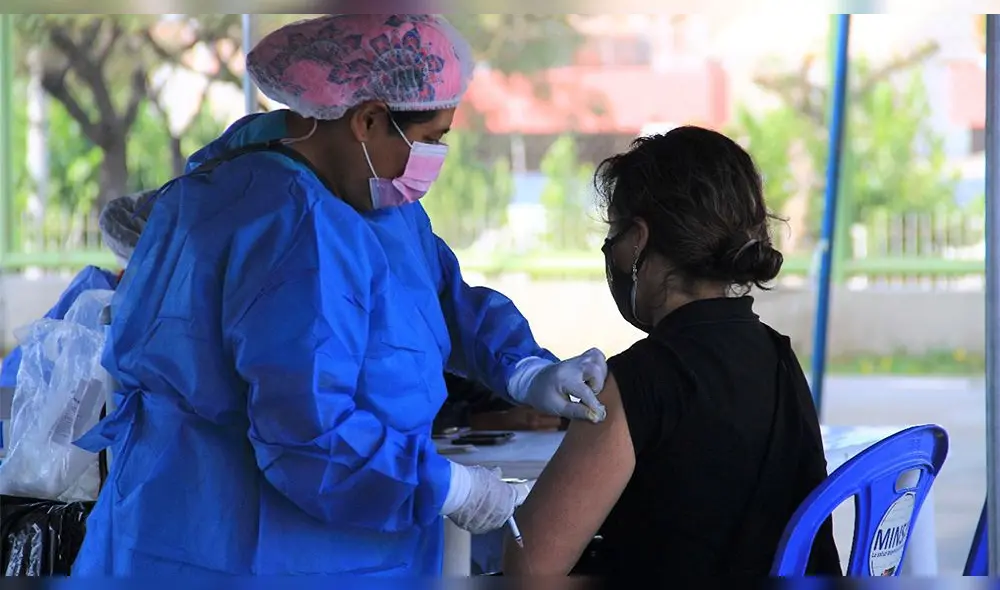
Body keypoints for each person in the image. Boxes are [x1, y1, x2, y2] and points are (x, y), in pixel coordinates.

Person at [71, 14, 608, 577]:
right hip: (248, 549)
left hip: (288, 538)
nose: (432, 164)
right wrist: (450, 488)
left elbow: (437, 295)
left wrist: (527, 372)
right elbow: (307, 433)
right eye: (430, 140)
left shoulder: (367, 198)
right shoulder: (287, 222)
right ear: (368, 119)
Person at [501, 127, 842, 577]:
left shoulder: (636, 383)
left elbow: (529, 572)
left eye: (614, 235)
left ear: (637, 240)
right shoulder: (777, 357)